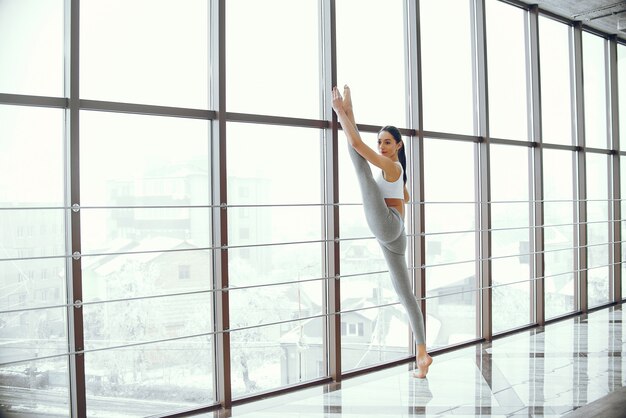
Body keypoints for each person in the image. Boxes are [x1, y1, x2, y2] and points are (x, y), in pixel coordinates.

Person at [331, 85, 432, 378]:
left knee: (360, 167)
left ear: (398, 146)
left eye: (387, 142)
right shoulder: (397, 171)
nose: (382, 147)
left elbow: (358, 147)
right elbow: (406, 198)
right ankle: (422, 355)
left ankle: (346, 111)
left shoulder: (390, 165)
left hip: (390, 226)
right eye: (380, 142)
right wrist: (348, 110)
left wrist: (343, 111)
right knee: (405, 294)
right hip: (396, 233)